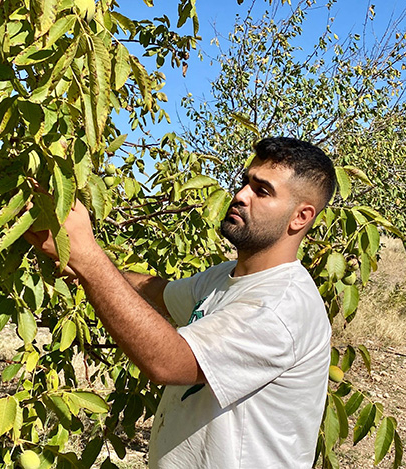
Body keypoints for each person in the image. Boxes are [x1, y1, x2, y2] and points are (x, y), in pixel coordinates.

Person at [24, 137, 336, 468]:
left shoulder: (281, 308)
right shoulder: (226, 276)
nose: (241, 195)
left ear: (300, 217)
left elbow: (168, 363)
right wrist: (80, 257)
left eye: (262, 191)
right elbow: (158, 291)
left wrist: (90, 261)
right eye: (245, 182)